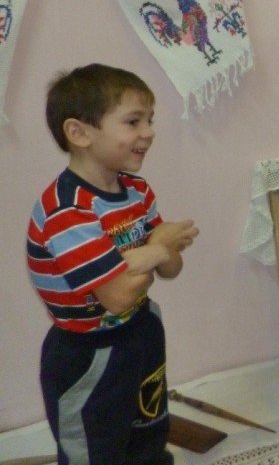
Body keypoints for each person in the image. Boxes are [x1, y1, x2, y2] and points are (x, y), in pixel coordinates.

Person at [26, 63, 199, 465]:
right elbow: (118, 295)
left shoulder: (136, 190)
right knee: (97, 452)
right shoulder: (68, 211)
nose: (149, 132)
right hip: (88, 354)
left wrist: (156, 254)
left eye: (150, 120)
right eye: (133, 121)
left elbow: (171, 269)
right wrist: (156, 248)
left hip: (142, 331)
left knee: (149, 437)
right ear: (79, 133)